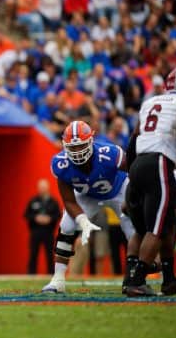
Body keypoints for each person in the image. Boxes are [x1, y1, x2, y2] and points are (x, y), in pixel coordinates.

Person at [124, 67, 176, 296]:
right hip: (160, 163)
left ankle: (168, 278)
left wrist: (130, 181)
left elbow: (133, 140)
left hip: (138, 164)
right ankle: (137, 279)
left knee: (162, 223)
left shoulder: (149, 102)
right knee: (158, 226)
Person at [42, 120, 135, 293]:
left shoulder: (110, 154)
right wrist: (82, 220)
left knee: (133, 231)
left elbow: (134, 171)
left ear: (91, 141)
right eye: (73, 147)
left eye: (81, 146)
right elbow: (69, 201)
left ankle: (135, 279)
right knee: (67, 225)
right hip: (87, 195)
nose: (77, 152)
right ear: (64, 145)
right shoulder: (61, 163)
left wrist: (133, 197)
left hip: (118, 190)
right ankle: (58, 279)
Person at [24, 179, 60, 274]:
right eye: (40, 187)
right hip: (35, 232)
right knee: (33, 253)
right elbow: (26, 215)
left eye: (44, 187)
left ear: (47, 188)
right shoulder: (33, 201)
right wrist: (36, 217)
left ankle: (51, 274)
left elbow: (58, 215)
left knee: (49, 254)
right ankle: (31, 274)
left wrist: (50, 218)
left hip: (48, 232)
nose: (42, 189)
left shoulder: (53, 202)